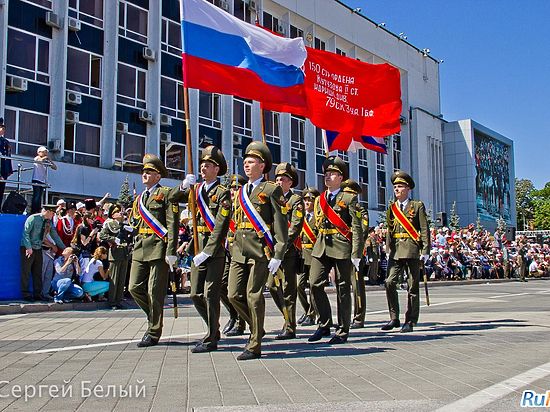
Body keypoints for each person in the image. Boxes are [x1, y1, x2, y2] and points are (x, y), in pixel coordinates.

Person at [228, 141, 288, 360]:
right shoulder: (241, 191)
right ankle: (257, 327)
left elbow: (281, 226)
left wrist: (279, 254)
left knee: (253, 296)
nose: (246, 164)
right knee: (233, 294)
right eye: (245, 161)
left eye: (251, 161)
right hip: (239, 250)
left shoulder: (272, 190)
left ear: (262, 166)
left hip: (261, 251)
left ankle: (254, 344)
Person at [129, 154, 189, 348]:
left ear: (158, 176)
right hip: (140, 247)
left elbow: (172, 223)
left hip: (158, 247)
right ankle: (155, 316)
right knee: (134, 287)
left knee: (154, 291)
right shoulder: (139, 198)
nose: (145, 175)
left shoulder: (164, 193)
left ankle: (153, 331)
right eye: (143, 172)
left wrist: (171, 250)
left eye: (149, 172)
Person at [180, 146, 231, 353]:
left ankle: (211, 336)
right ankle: (214, 327)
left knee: (211, 293)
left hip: (214, 249)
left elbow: (221, 224)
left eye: (207, 165)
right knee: (194, 293)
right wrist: (185, 187)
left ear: (216, 169)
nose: (203, 168)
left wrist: (208, 250)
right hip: (197, 245)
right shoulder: (197, 190)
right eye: (202, 165)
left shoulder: (222, 193)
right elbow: (177, 202)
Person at [308, 156, 363, 344]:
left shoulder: (349, 198)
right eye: (326, 173)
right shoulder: (319, 200)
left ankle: (342, 329)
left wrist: (356, 253)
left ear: (341, 177)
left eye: (332, 174)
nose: (328, 176)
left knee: (342, 289)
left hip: (341, 245)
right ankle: (324, 323)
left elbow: (356, 228)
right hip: (322, 245)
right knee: (314, 283)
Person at [381, 170, 430, 333]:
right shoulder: (392, 208)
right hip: (395, 251)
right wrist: (388, 248)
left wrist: (425, 249)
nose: (397, 189)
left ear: (408, 188)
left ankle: (410, 320)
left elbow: (424, 228)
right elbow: (389, 229)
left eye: (400, 186)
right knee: (389, 282)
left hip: (412, 249)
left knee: (412, 286)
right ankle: (394, 317)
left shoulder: (417, 206)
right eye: (395, 186)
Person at [268, 162, 304, 340]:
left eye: (283, 179)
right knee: (272, 286)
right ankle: (286, 317)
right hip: (272, 251)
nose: (279, 182)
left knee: (289, 289)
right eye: (277, 178)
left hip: (288, 251)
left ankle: (290, 326)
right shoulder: (270, 197)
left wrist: (282, 245)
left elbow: (296, 226)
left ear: (291, 182)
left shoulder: (295, 200)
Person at [20, 204, 65, 301]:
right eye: (52, 213)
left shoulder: (48, 222)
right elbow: (25, 233)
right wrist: (28, 247)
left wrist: (64, 248)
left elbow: (55, 236)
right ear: (48, 211)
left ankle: (37, 293)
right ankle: (26, 294)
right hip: (28, 248)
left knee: (38, 272)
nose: (53, 215)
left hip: (38, 248)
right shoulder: (33, 218)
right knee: (26, 271)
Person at [221, 174, 247, 336]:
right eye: (231, 187)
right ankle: (233, 314)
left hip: (241, 251)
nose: (233, 191)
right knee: (222, 285)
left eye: (236, 188)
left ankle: (241, 322)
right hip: (226, 251)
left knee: (239, 290)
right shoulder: (225, 206)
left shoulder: (246, 206)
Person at [341, 178, 368, 329]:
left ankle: (359, 316)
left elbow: (362, 230)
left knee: (356, 285)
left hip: (354, 251)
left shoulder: (360, 211)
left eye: (350, 194)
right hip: (341, 251)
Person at [99, 203, 132, 309]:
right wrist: (113, 240)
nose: (120, 213)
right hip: (115, 252)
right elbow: (102, 235)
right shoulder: (110, 224)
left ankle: (119, 300)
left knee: (121, 279)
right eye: (117, 212)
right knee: (114, 278)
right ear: (112, 215)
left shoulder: (124, 224)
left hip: (124, 253)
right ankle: (112, 301)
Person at [297, 187, 320, 327]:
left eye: (310, 200)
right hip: (302, 256)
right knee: (299, 285)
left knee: (312, 286)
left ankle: (312, 314)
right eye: (305, 199)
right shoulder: (300, 217)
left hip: (314, 255)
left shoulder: (318, 218)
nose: (307, 202)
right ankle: (307, 310)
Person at [31, 146, 57, 214]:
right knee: (36, 196)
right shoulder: (37, 158)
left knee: (39, 197)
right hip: (36, 179)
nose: (45, 153)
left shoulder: (45, 160)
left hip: (42, 180)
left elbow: (55, 167)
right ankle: (34, 210)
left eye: (46, 152)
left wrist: (50, 161)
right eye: (43, 152)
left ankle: (38, 210)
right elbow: (40, 161)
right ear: (39, 152)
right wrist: (45, 158)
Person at [0, 118, 13, 211]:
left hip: (4, 169)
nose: (3, 129)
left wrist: (9, 169)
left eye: (3, 128)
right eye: (1, 127)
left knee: (1, 190)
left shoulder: (5, 141)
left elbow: (8, 155)